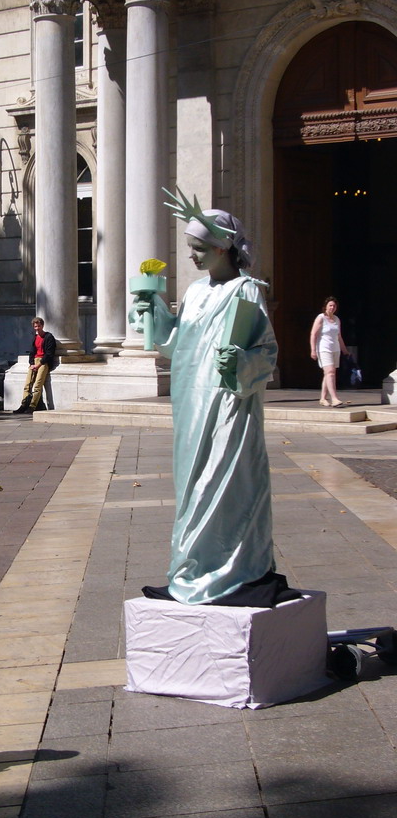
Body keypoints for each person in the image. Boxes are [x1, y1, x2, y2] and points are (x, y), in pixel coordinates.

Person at [137, 189, 286, 606]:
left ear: (224, 247)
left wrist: (238, 361)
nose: (193, 257)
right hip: (189, 403)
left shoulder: (248, 290)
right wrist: (154, 311)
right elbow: (178, 343)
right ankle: (193, 568)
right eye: (190, 248)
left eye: (199, 248)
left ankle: (231, 569)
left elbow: (267, 353)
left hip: (228, 406)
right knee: (191, 485)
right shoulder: (198, 292)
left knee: (222, 485)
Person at [310, 296, 349, 407]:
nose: (332, 307)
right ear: (326, 307)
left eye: (334, 306)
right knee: (330, 372)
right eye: (330, 305)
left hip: (335, 349)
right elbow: (313, 334)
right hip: (323, 349)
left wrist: (344, 350)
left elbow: (339, 336)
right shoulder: (321, 318)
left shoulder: (337, 319)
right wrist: (313, 350)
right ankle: (334, 398)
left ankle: (323, 398)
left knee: (329, 374)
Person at [14, 316, 56, 412]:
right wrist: (32, 363)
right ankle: (24, 404)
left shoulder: (49, 337)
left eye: (39, 326)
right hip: (35, 361)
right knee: (28, 384)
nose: (37, 328)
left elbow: (49, 354)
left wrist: (39, 364)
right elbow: (32, 352)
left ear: (42, 325)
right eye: (35, 326)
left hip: (43, 362)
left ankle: (32, 406)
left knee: (38, 384)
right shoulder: (35, 337)